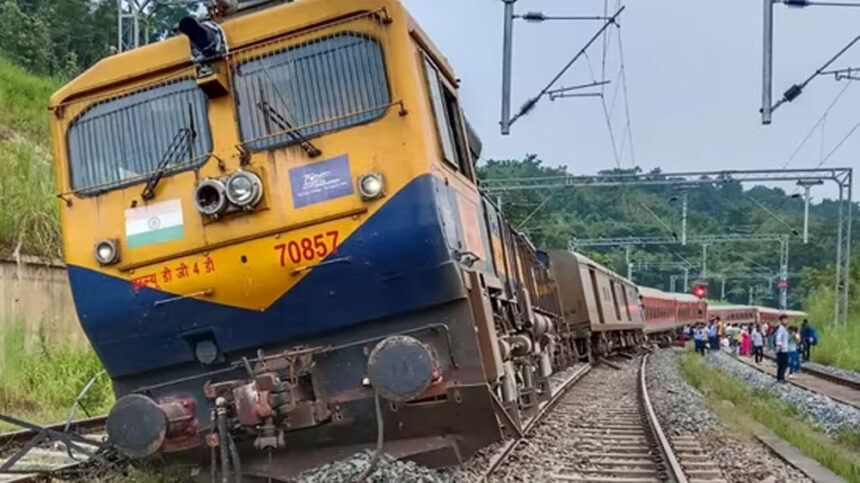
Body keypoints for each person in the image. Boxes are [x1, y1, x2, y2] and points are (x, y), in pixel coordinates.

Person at [775, 315, 790, 382]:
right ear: (781, 321)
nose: (786, 321)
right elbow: (778, 339)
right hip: (782, 350)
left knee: (782, 364)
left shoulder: (784, 329)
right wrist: (779, 347)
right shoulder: (781, 329)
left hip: (785, 349)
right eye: (784, 320)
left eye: (786, 319)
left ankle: (780, 377)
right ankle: (781, 378)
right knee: (783, 364)